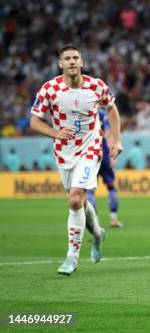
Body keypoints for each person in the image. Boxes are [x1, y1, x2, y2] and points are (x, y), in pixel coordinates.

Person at [30, 44, 122, 275]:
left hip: (91, 148)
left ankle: (71, 258)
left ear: (81, 62)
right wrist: (55, 133)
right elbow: (35, 122)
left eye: (75, 58)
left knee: (74, 200)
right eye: (67, 58)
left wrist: (116, 140)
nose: (72, 61)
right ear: (60, 64)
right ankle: (98, 233)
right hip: (64, 152)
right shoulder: (49, 89)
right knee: (78, 201)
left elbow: (112, 109)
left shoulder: (96, 85)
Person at [86, 108, 123, 228]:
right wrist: (112, 153)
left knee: (90, 190)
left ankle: (95, 222)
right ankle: (113, 219)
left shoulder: (83, 111)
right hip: (104, 153)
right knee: (111, 187)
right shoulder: (103, 114)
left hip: (89, 154)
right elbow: (108, 133)